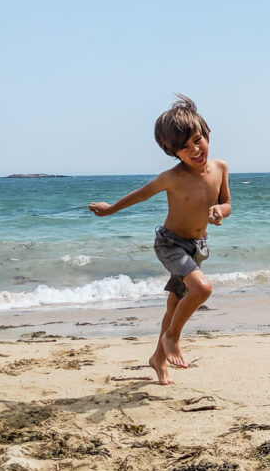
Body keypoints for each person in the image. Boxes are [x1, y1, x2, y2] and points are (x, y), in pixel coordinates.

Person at [89, 95, 231, 384]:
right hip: (171, 244)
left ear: (206, 133)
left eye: (197, 140)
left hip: (198, 247)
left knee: (175, 304)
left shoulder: (220, 168)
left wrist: (220, 212)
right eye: (184, 148)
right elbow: (141, 194)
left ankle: (157, 358)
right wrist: (111, 209)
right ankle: (173, 338)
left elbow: (227, 203)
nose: (194, 149)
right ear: (173, 153)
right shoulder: (171, 177)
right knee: (202, 289)